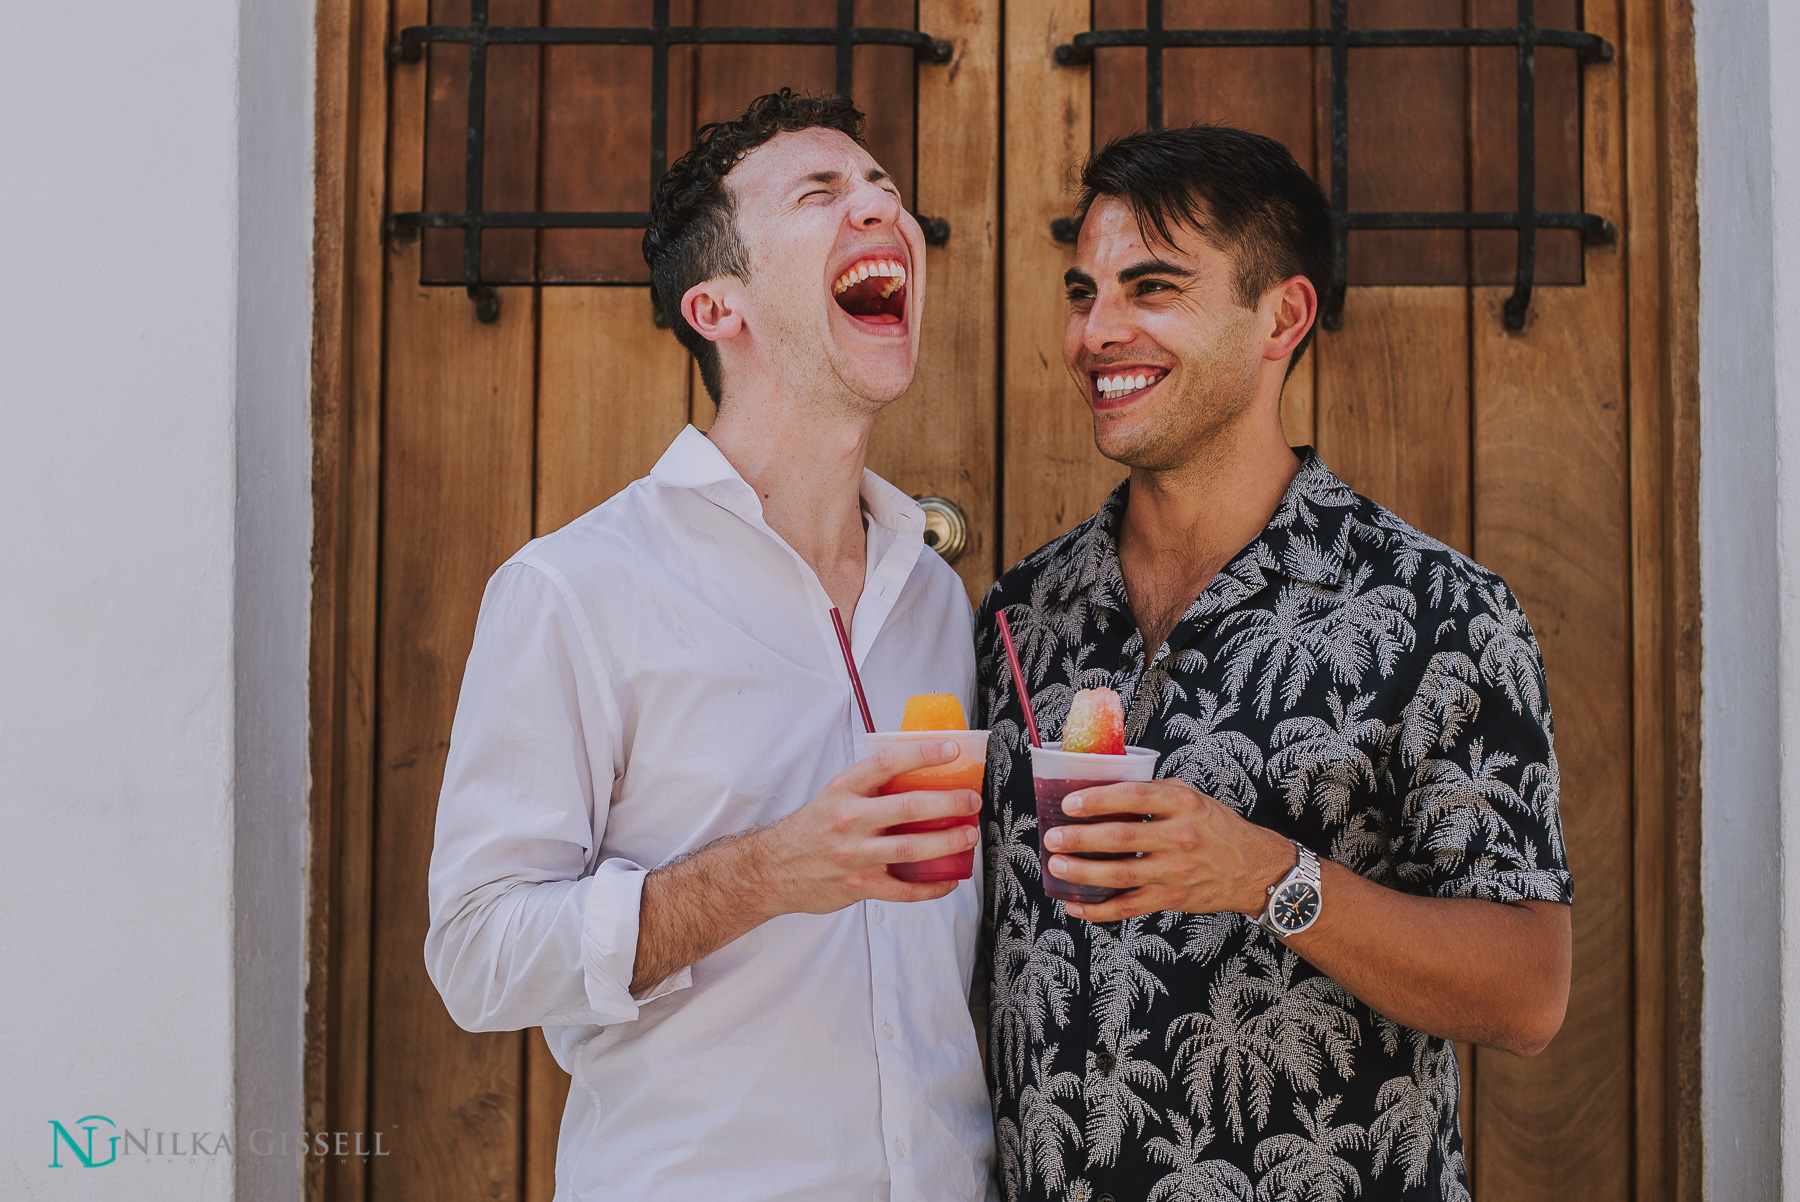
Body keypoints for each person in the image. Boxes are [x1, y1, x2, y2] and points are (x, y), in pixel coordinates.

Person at [976, 125, 1572, 1202]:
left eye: (1151, 287)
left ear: (1281, 317)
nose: (1096, 332)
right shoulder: (1023, 615)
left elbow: (1528, 990)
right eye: (1084, 291)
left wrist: (1268, 876)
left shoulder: (1438, 613)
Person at [424, 90, 994, 1200]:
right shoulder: (575, 589)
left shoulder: (936, 601)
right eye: (822, 193)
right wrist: (772, 870)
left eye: (885, 189)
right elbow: (477, 954)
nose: (880, 209)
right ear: (717, 303)